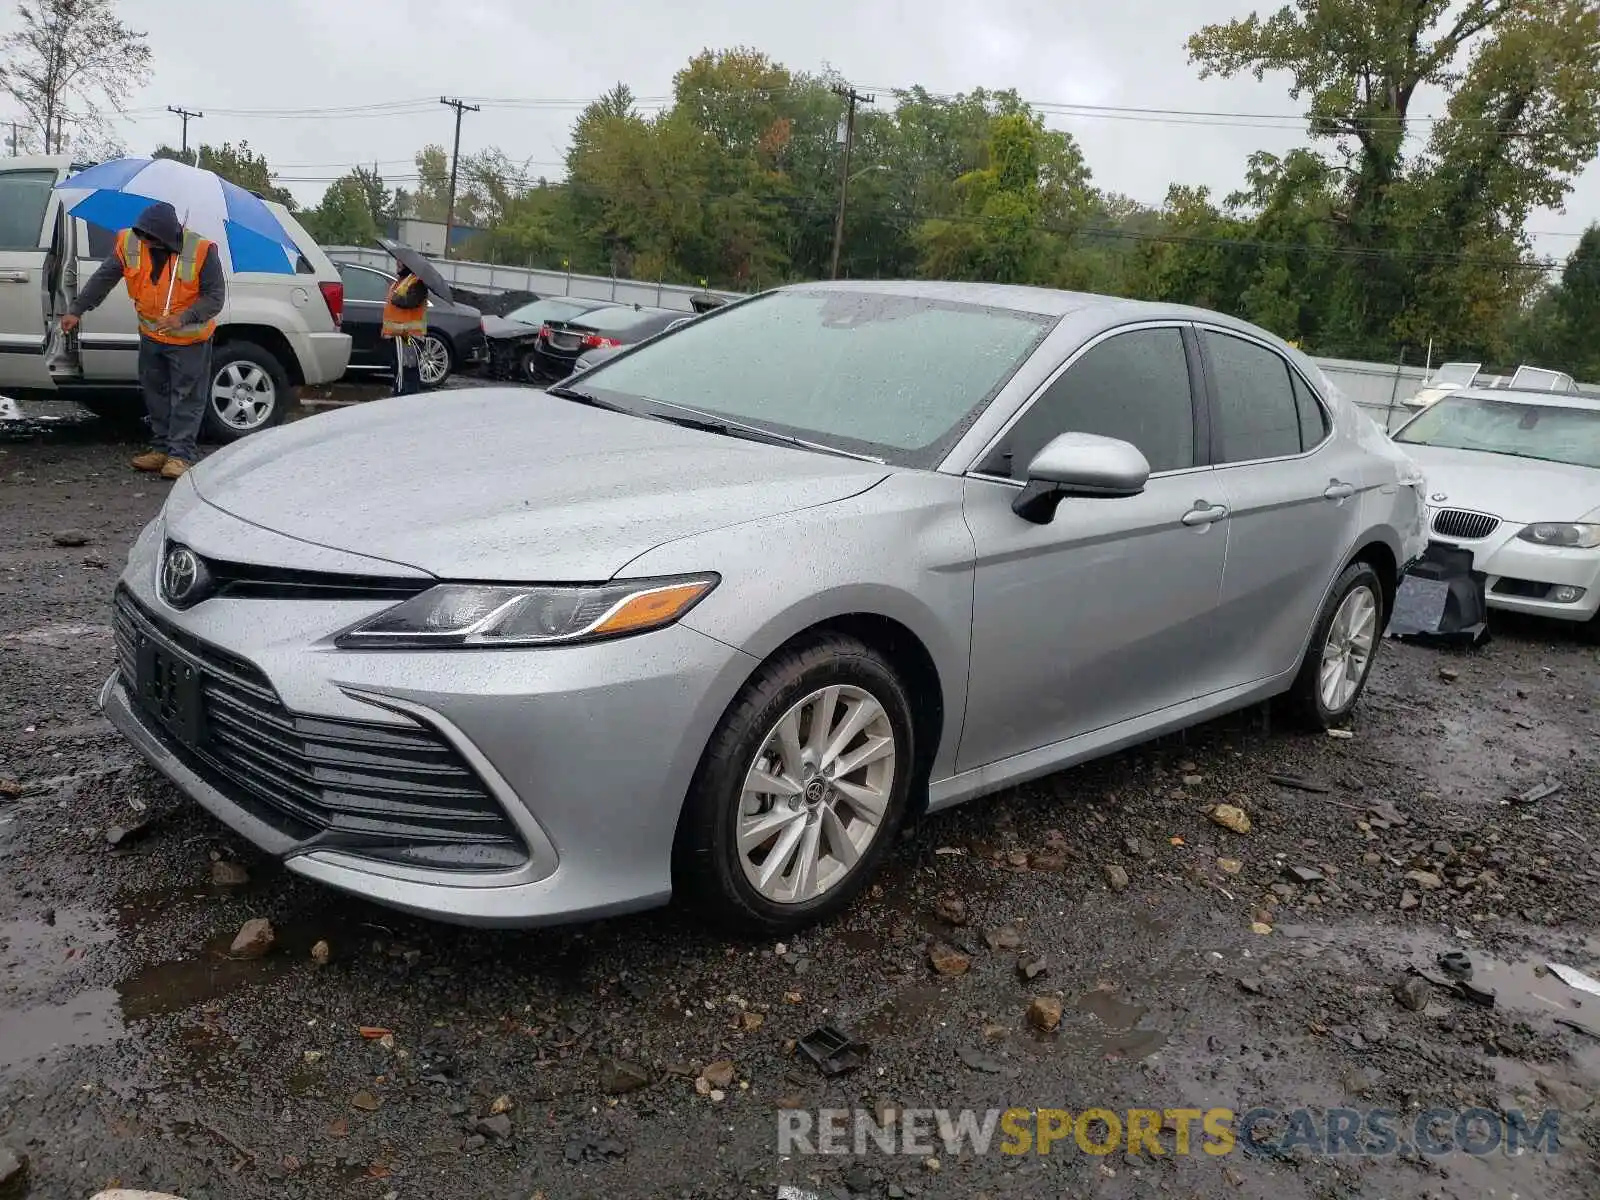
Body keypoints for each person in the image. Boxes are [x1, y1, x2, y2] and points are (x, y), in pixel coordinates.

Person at [59, 201, 224, 480]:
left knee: (186, 398)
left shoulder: (202, 251)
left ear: (165, 236)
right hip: (151, 337)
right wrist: (77, 309)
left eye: (150, 237)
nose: (144, 241)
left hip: (189, 341)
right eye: (141, 234)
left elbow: (215, 297)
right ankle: (161, 448)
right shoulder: (130, 242)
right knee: (155, 393)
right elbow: (104, 278)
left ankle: (179, 455)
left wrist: (183, 318)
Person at [382, 265, 428, 396]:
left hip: (408, 336)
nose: (397, 264)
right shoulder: (401, 281)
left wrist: (396, 298)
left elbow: (410, 301)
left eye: (401, 262)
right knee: (399, 371)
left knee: (408, 372)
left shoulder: (417, 282)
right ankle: (400, 395)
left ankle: (406, 399)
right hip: (397, 336)